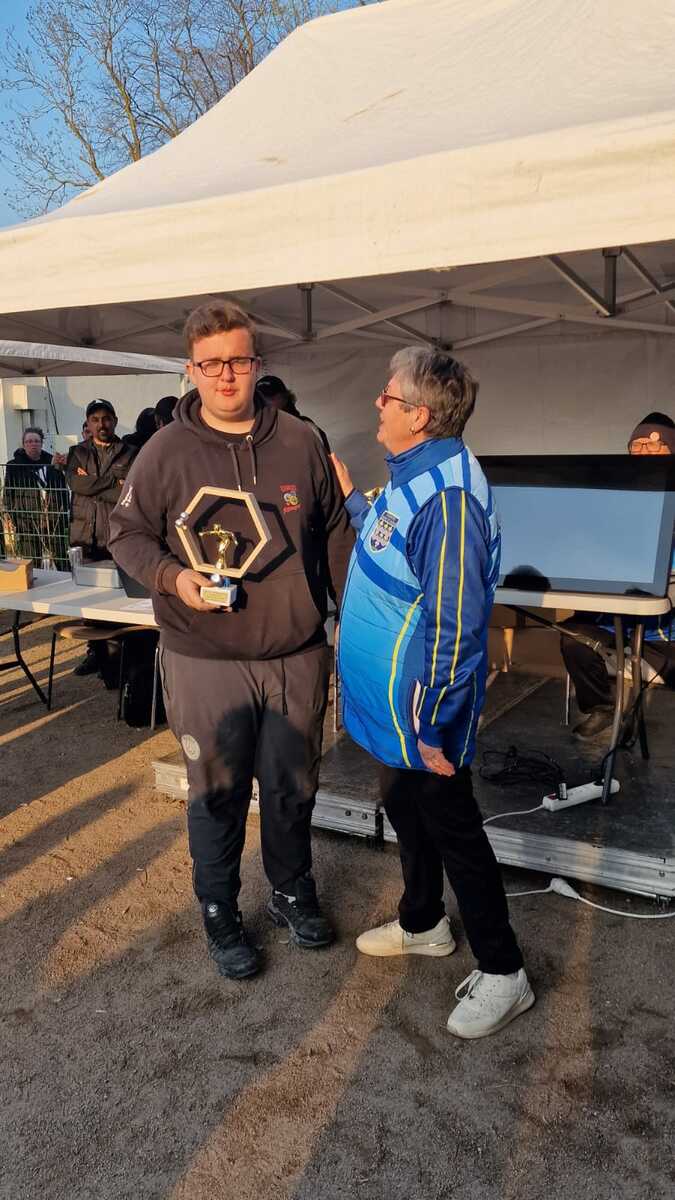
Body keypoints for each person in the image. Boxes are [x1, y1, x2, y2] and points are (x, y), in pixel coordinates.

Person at [109, 300, 353, 981]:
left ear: (256, 363)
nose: (225, 376)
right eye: (211, 363)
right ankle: (218, 907)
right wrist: (173, 578)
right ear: (191, 370)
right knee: (216, 791)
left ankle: (290, 890)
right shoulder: (165, 450)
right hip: (205, 657)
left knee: (292, 785)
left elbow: (336, 533)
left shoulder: (301, 440)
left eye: (238, 361)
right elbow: (125, 534)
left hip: (294, 653)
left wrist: (356, 622)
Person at [332, 347, 533, 1040]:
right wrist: (353, 502)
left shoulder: (447, 500)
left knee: (453, 826)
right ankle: (423, 923)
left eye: (387, 396)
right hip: (396, 707)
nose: (377, 404)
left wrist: (435, 724)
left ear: (418, 415)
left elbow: (456, 626)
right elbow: (390, 543)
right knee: (403, 805)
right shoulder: (412, 472)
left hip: (422, 711)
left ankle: (504, 972)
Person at [560, 411, 675, 740]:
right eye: (637, 445)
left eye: (654, 445)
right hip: (610, 622)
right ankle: (602, 708)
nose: (644, 451)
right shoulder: (610, 496)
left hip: (664, 631)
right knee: (573, 639)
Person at [66, 400, 137, 678]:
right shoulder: (78, 452)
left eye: (106, 418)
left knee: (118, 599)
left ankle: (117, 655)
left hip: (117, 536)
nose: (101, 424)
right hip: (85, 536)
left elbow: (126, 493)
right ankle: (95, 653)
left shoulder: (130, 453)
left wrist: (93, 483)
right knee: (90, 600)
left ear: (115, 420)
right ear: (88, 423)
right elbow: (76, 484)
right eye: (95, 419)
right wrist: (111, 481)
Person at [3, 427, 69, 568]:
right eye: (29, 441)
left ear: (41, 443)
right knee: (32, 560)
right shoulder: (14, 465)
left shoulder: (52, 462)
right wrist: (13, 517)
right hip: (27, 519)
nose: (33, 444)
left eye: (36, 441)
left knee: (61, 557)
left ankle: (66, 578)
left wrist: (63, 512)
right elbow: (8, 493)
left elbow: (62, 488)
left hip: (53, 517)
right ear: (23, 444)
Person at [256, 374, 331, 453]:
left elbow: (322, 458)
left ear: (284, 398)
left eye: (270, 398)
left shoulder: (305, 427)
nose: (264, 403)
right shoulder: (255, 433)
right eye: (259, 399)